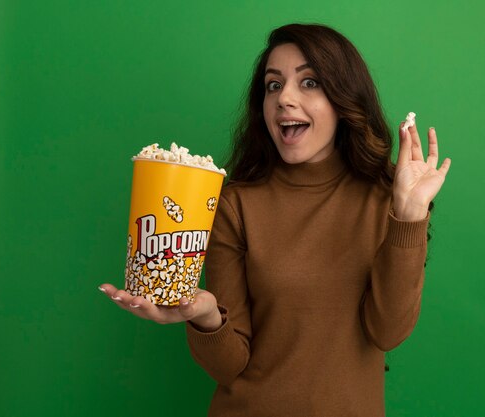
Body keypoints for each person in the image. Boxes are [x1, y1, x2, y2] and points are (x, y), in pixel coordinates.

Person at [100, 23, 451, 416]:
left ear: (342, 99)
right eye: (273, 85)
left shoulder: (384, 199)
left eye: (309, 83)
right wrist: (203, 315)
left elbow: (388, 330)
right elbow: (229, 365)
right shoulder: (236, 204)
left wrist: (408, 215)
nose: (284, 98)